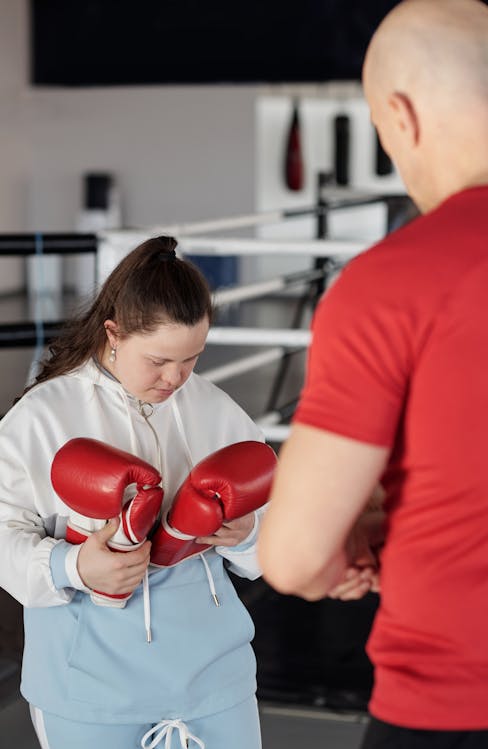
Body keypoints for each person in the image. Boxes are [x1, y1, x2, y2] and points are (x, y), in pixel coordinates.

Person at [258, 0, 488, 747]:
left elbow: (294, 559)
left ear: (400, 116)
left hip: (458, 701)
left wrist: (337, 532)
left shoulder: (394, 283)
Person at [0, 235, 269, 749]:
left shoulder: (214, 408)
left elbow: (274, 540)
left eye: (192, 358)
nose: (175, 378)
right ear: (114, 333)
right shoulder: (44, 416)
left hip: (215, 682)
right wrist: (71, 566)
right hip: (90, 693)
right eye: (159, 360)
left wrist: (248, 532)